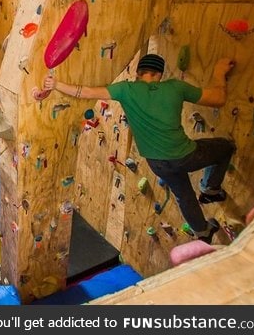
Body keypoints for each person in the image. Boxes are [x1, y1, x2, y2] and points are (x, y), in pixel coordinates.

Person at [43, 53, 236, 244]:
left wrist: (56, 84)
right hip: (185, 155)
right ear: (159, 74)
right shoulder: (175, 87)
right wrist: (219, 73)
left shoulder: (125, 89)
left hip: (157, 163)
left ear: (138, 73)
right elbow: (218, 99)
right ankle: (210, 189)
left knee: (183, 194)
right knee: (225, 147)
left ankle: (202, 231)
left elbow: (86, 92)